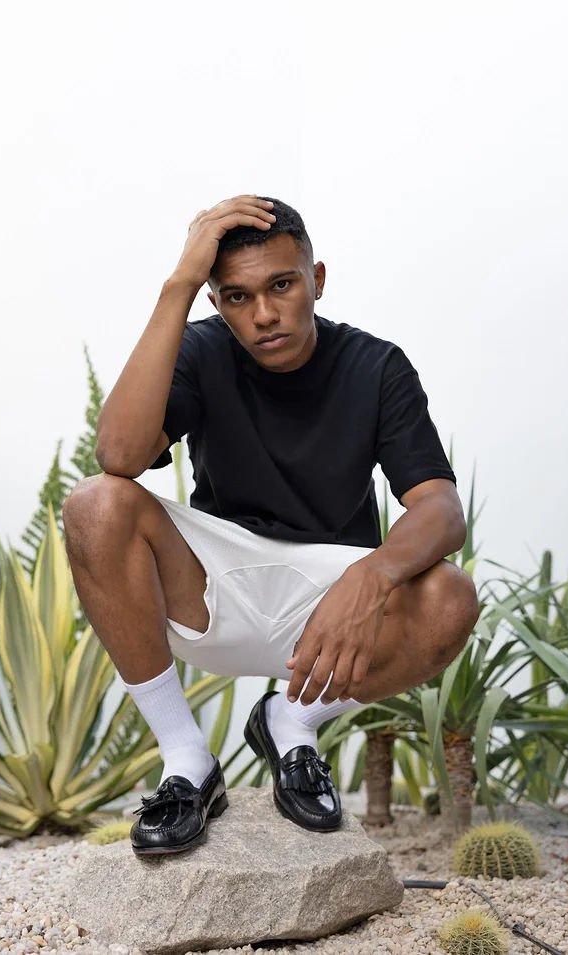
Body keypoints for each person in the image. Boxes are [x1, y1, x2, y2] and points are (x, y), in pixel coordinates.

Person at [62, 194, 480, 857]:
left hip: (331, 609)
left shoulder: (376, 366)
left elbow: (439, 508)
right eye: (235, 296)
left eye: (281, 285)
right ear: (217, 302)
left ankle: (291, 721)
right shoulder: (202, 350)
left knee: (451, 597)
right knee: (94, 502)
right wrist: (178, 287)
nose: (263, 314)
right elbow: (118, 456)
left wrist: (373, 572)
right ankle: (186, 761)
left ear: (316, 279)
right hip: (214, 590)